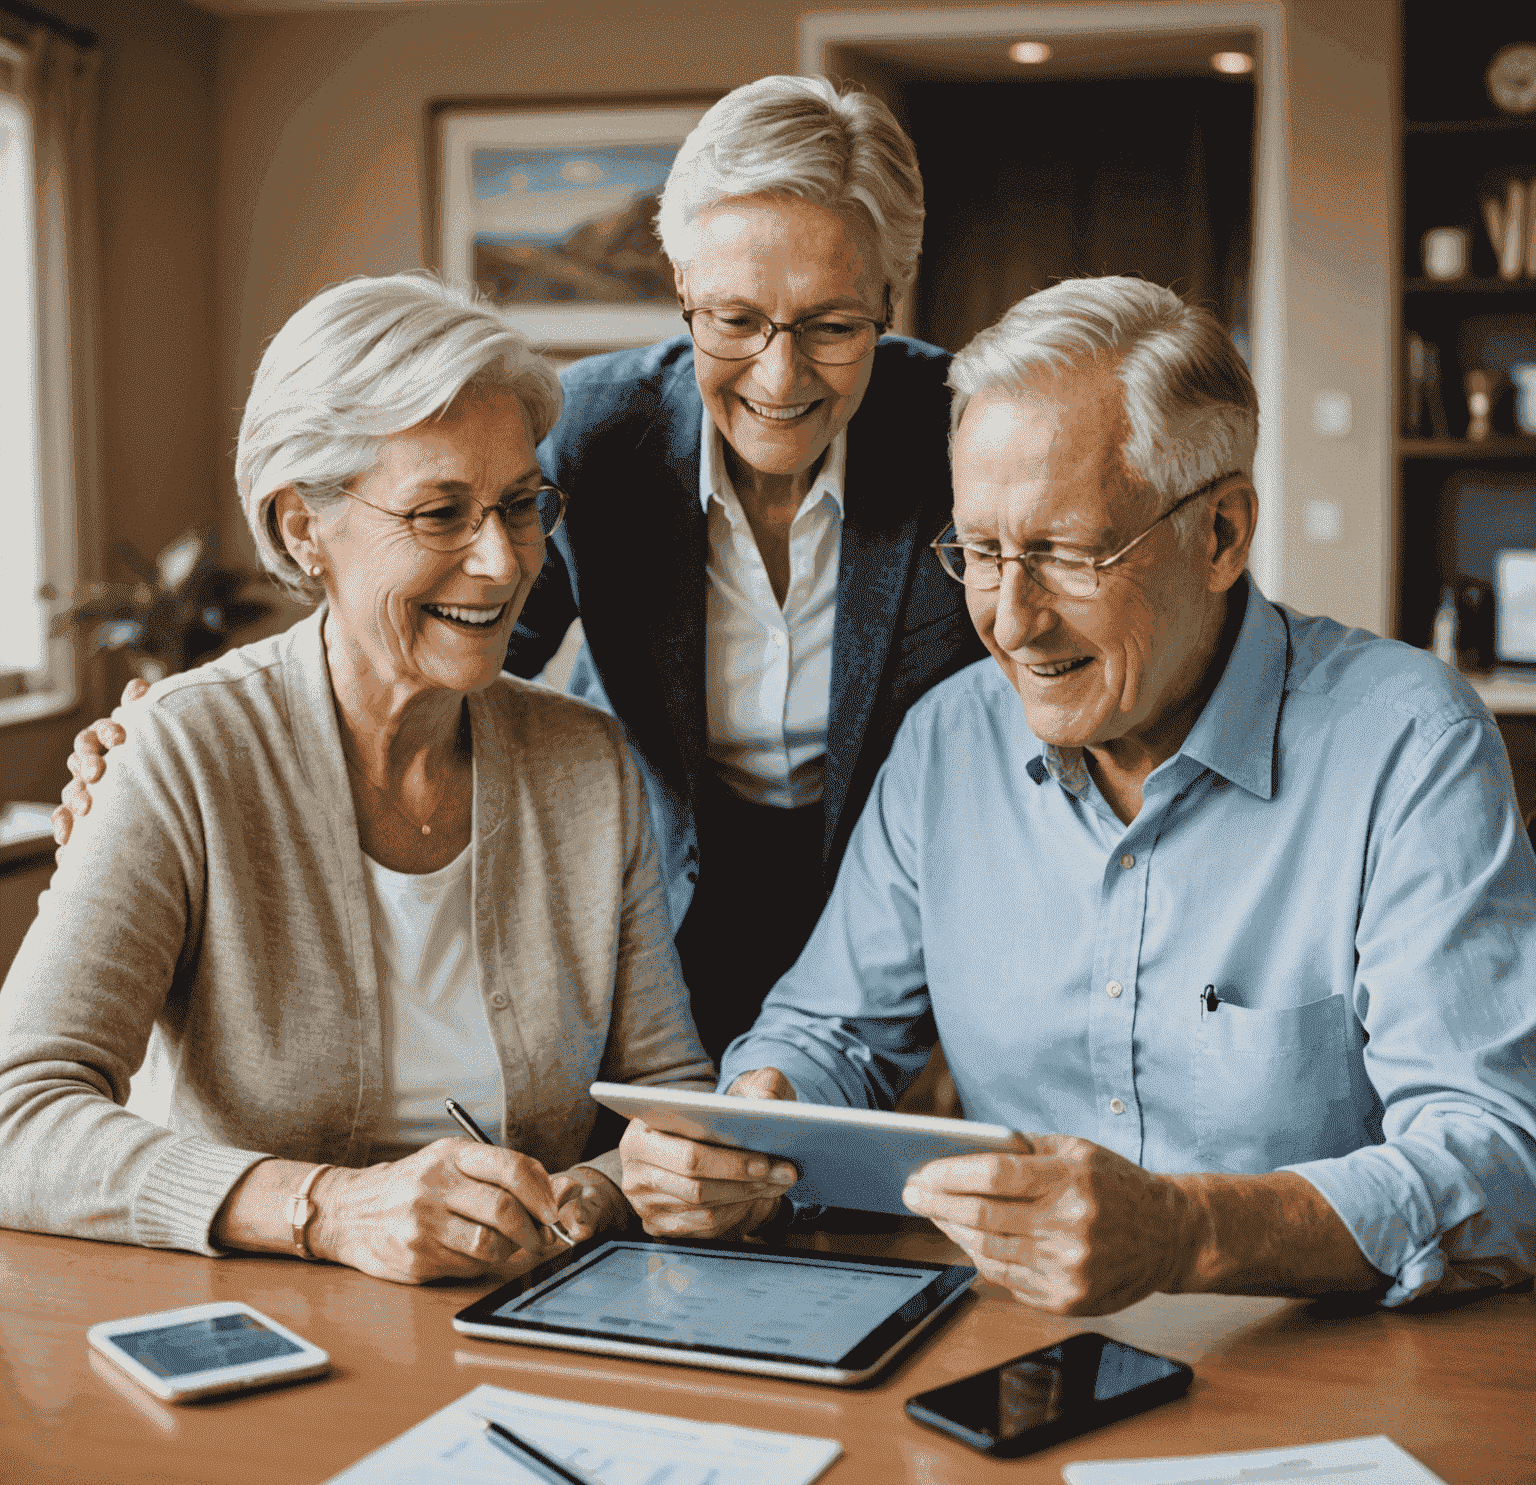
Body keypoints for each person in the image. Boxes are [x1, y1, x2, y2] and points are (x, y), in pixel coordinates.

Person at [619, 275, 1536, 1312]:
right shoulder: (947, 744)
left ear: (1223, 534)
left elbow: (1497, 1158)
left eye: (1065, 553)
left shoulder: (1409, 744)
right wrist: (751, 1124)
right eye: (981, 552)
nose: (1011, 620)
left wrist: (1189, 1234)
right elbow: (831, 1033)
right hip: (1004, 1360)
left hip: (1325, 1361)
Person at [0, 274, 713, 1284]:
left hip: (535, 1327)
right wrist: (329, 1208)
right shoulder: (183, 753)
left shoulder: (588, 765)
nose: (505, 563)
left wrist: (599, 1190)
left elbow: (667, 1098)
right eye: (439, 513)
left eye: (521, 506)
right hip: (262, 1345)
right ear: (303, 529)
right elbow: (17, 1117)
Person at [502, 75, 985, 1060]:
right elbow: (471, 655)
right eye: (733, 321)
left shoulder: (966, 433)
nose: (779, 375)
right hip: (650, 907)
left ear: (890, 302)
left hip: (895, 927)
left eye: (832, 326)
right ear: (682, 295)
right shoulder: (591, 431)